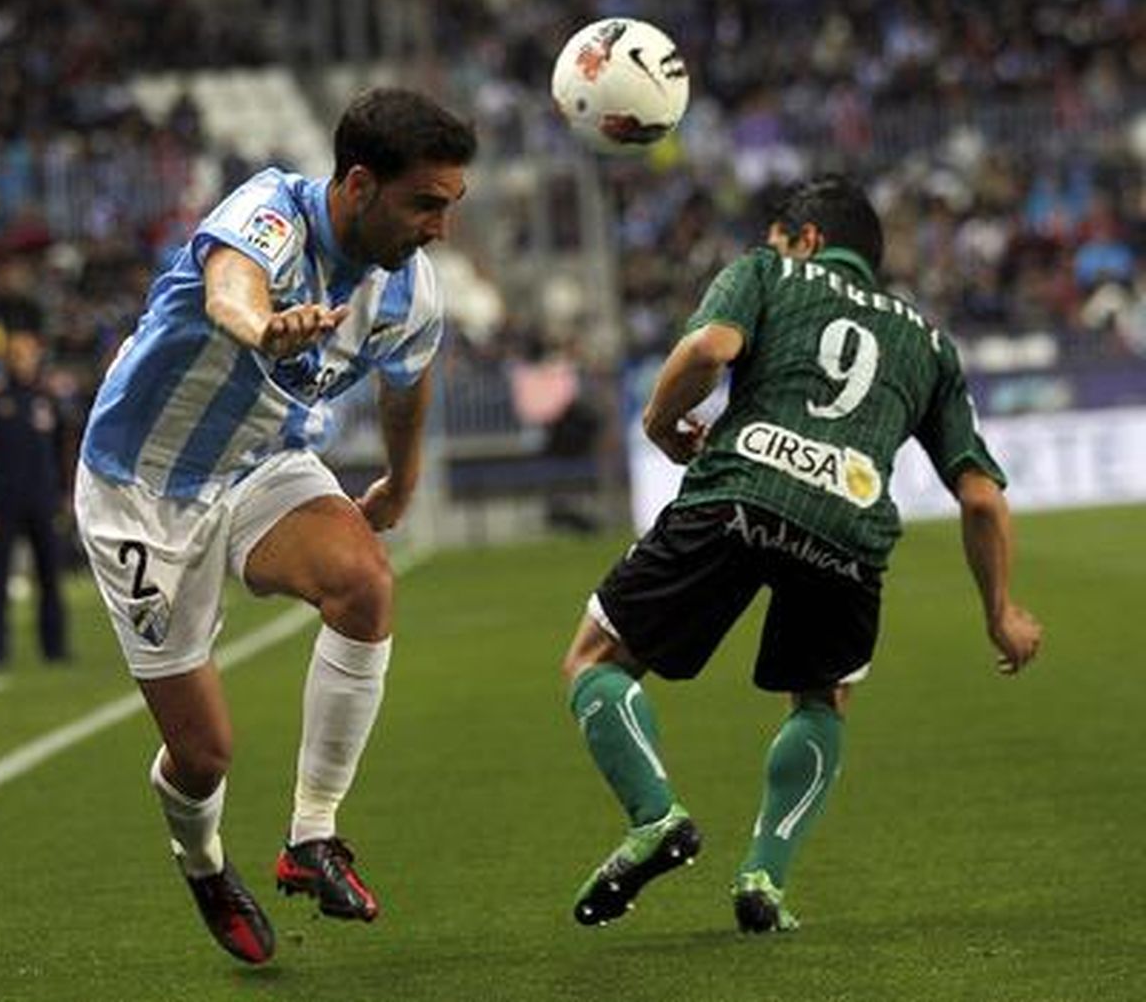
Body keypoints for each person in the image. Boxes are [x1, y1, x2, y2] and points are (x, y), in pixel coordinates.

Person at [559, 175, 1045, 933]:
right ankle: (764, 877)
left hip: (738, 495)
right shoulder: (929, 344)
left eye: (781, 235)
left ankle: (656, 817)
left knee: (597, 658)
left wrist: (659, 421)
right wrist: (1001, 612)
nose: (774, 245)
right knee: (822, 698)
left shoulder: (764, 271)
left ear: (807, 239)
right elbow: (981, 498)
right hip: (849, 530)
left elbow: (709, 349)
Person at [73, 87, 476, 964]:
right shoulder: (270, 213)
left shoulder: (409, 290)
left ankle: (311, 839)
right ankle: (203, 862)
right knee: (204, 754)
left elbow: (408, 382)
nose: (438, 228)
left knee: (365, 583)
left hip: (260, 465)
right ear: (361, 185)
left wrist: (401, 488)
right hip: (141, 488)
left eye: (450, 206)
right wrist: (264, 327)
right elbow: (229, 286)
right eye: (426, 205)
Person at [0, 330, 73, 665]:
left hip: (43, 498)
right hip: (1, 500)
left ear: (36, 357)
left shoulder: (47, 399)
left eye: (27, 354)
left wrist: (66, 494)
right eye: (15, 354)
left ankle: (55, 646)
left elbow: (64, 450)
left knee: (50, 575)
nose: (21, 360)